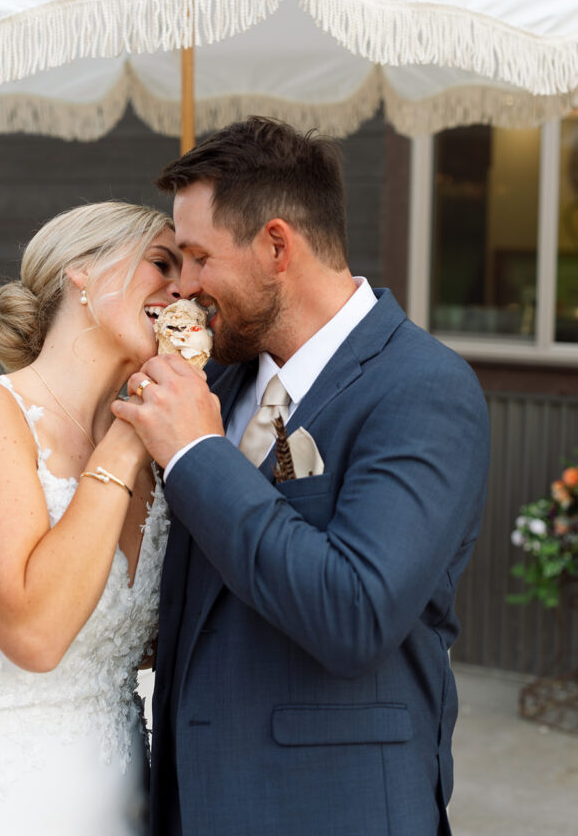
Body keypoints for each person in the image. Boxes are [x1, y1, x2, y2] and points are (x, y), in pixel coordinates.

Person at [113, 117, 490, 836]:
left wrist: (197, 456)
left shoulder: (424, 389)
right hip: (192, 803)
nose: (183, 289)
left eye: (196, 258)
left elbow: (354, 612)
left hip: (330, 806)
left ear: (276, 245)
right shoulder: (215, 379)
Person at [0, 200, 182, 836]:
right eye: (162, 262)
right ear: (81, 270)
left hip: (120, 800)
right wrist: (129, 439)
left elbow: (131, 640)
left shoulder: (159, 464)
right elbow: (36, 636)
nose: (181, 289)